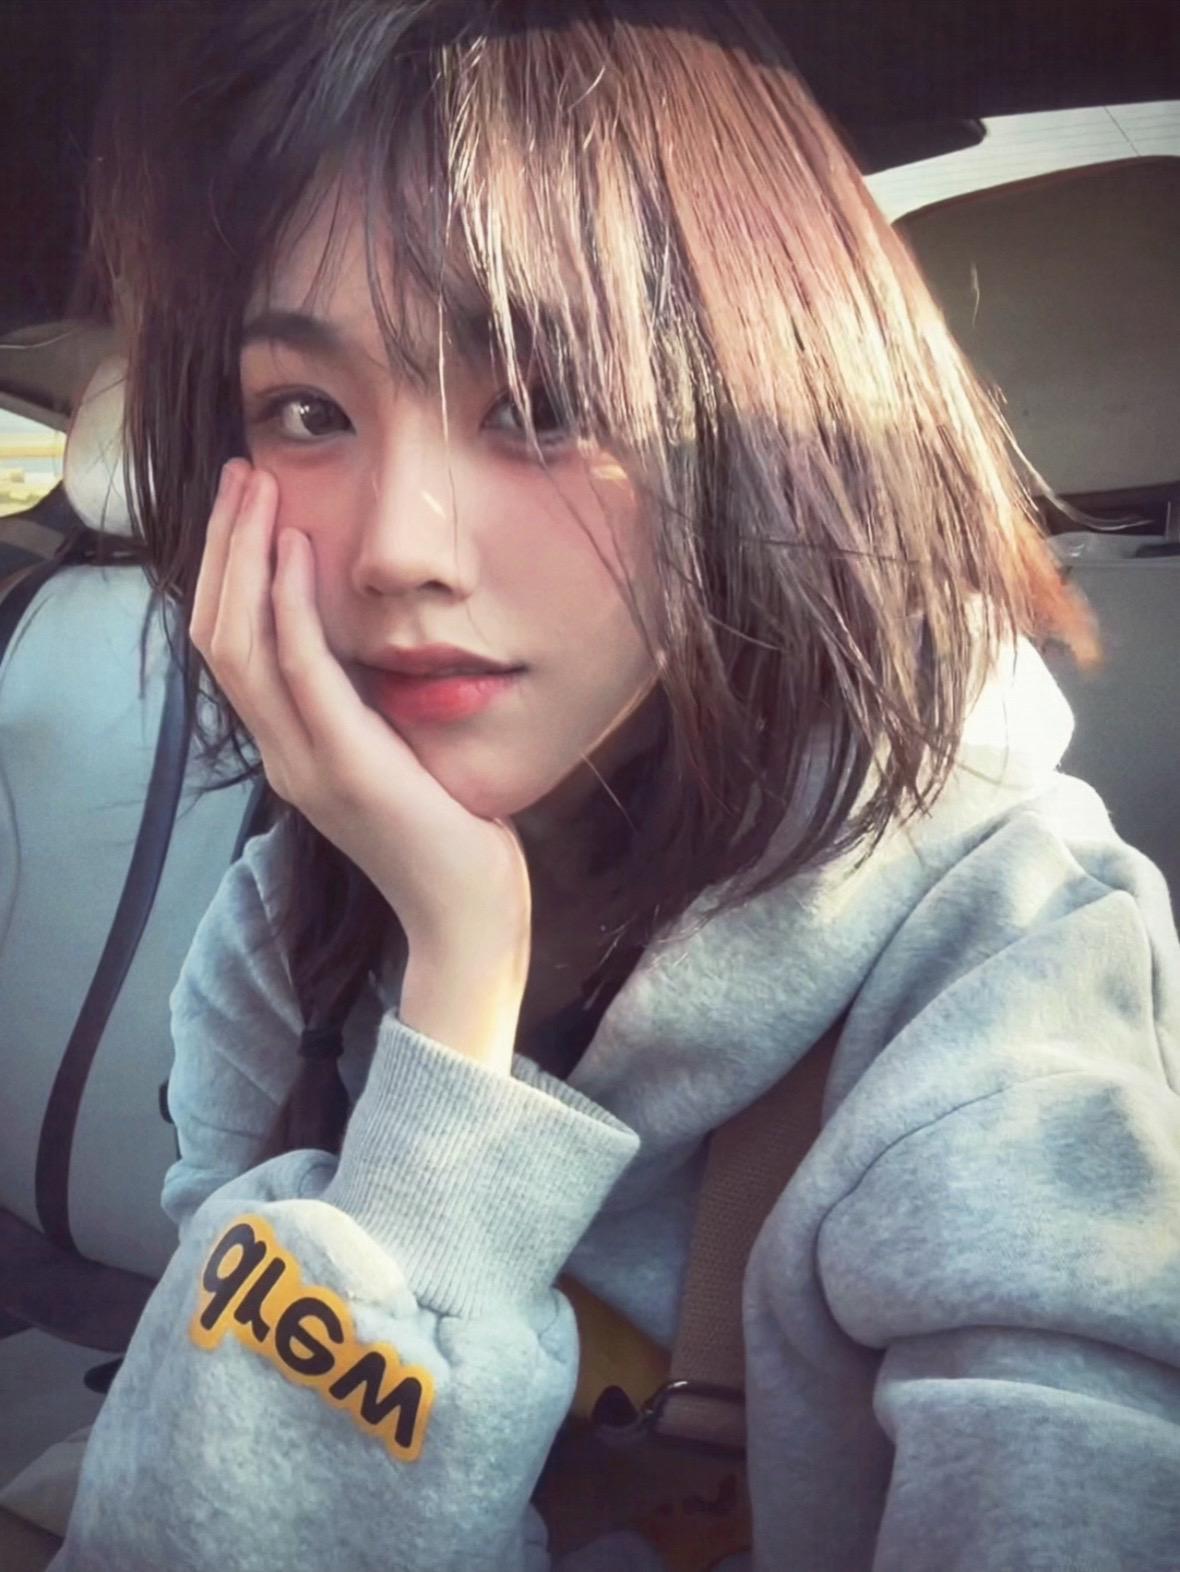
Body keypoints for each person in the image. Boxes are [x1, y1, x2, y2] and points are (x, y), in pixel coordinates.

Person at [48, 1, 1180, 1568]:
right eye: (308, 412)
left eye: (545, 406)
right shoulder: (288, 928)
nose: (399, 548)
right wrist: (459, 973)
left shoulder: (1013, 953)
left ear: (763, 436)